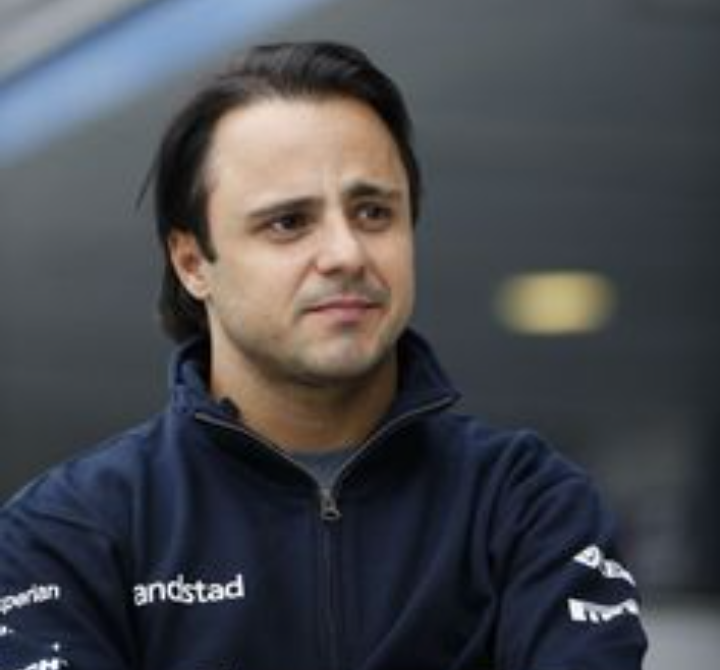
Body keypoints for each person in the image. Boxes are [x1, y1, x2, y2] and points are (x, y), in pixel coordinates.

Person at [0, 41, 647, 670]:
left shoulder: (526, 503)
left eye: (373, 212)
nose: (346, 253)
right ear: (192, 262)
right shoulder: (68, 532)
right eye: (288, 223)